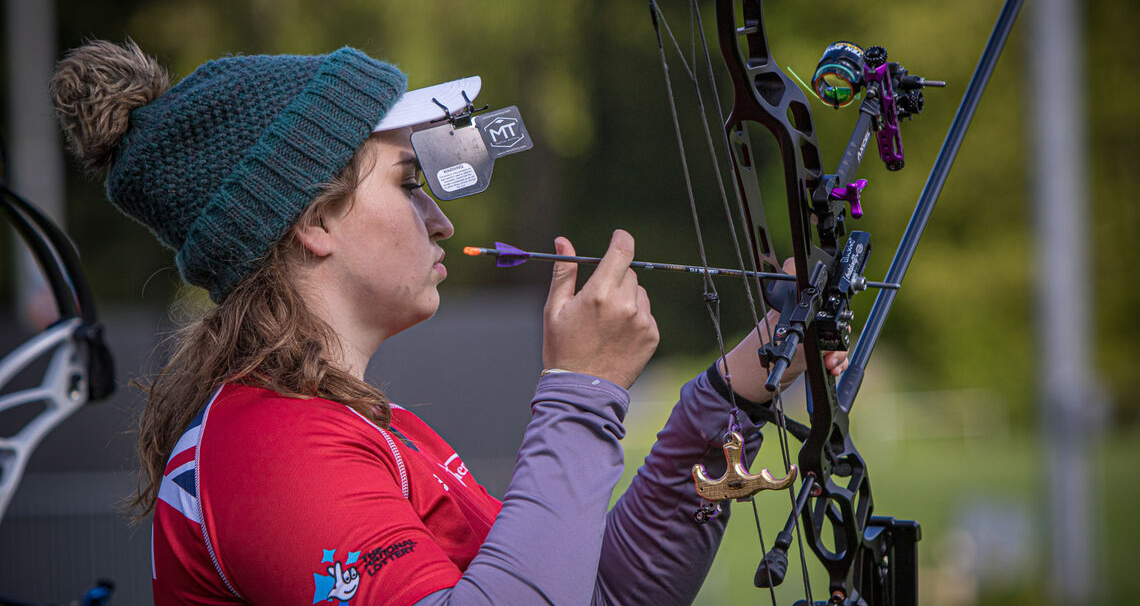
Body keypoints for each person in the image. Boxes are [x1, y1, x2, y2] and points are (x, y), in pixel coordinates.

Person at [50, 40, 847, 606]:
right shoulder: (266, 447)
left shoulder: (370, 430)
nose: (437, 219)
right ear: (314, 221)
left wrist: (731, 394)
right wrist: (577, 392)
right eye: (407, 180)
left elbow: (595, 592)